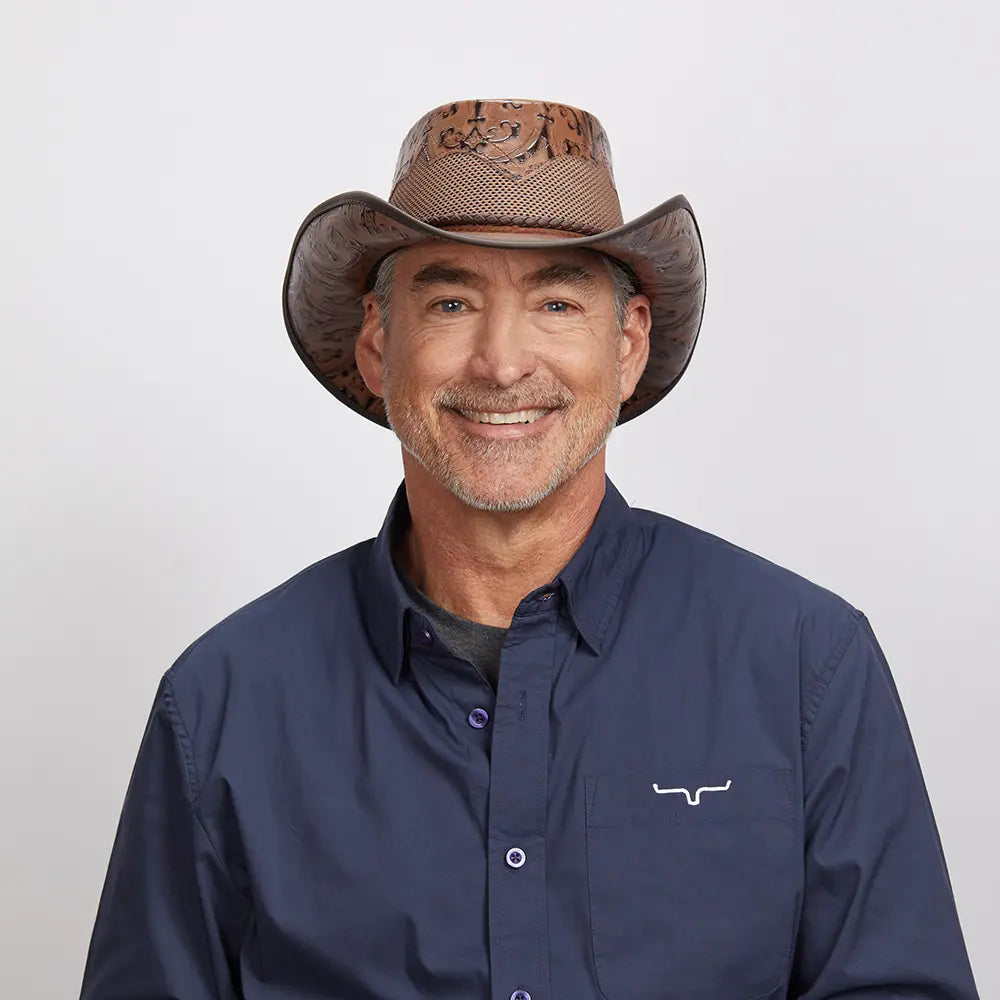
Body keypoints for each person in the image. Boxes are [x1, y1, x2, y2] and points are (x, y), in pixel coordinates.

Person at [79, 98, 980, 999]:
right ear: (378, 342)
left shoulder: (804, 669)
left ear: (626, 347)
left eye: (555, 300)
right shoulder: (224, 702)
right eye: (450, 300)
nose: (502, 362)